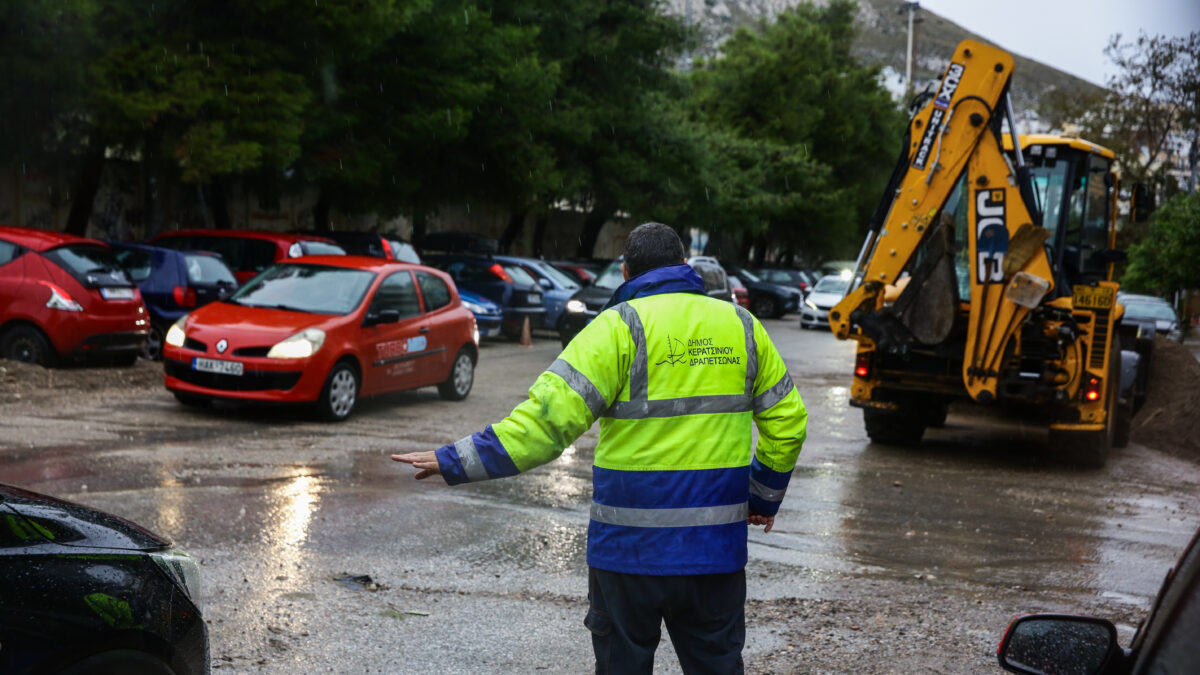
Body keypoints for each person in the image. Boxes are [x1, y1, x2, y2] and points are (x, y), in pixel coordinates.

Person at [393, 222, 807, 674]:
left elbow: (544, 425)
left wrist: (453, 460)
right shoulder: (742, 326)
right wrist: (763, 496)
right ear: (685, 266)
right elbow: (788, 423)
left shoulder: (616, 328)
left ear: (625, 272)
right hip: (714, 554)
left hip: (629, 554)